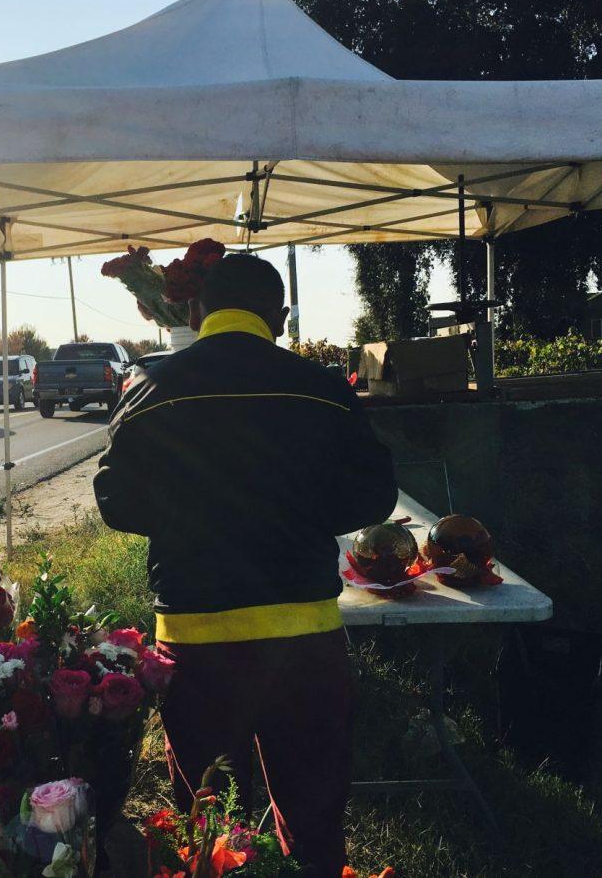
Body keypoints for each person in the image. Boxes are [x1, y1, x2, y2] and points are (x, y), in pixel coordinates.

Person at [94, 253, 398, 876]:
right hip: (304, 637)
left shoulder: (148, 392)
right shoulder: (324, 390)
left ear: (196, 311)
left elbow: (116, 501)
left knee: (210, 824)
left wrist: (191, 511)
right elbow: (374, 496)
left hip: (195, 639)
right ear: (279, 317)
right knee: (314, 813)